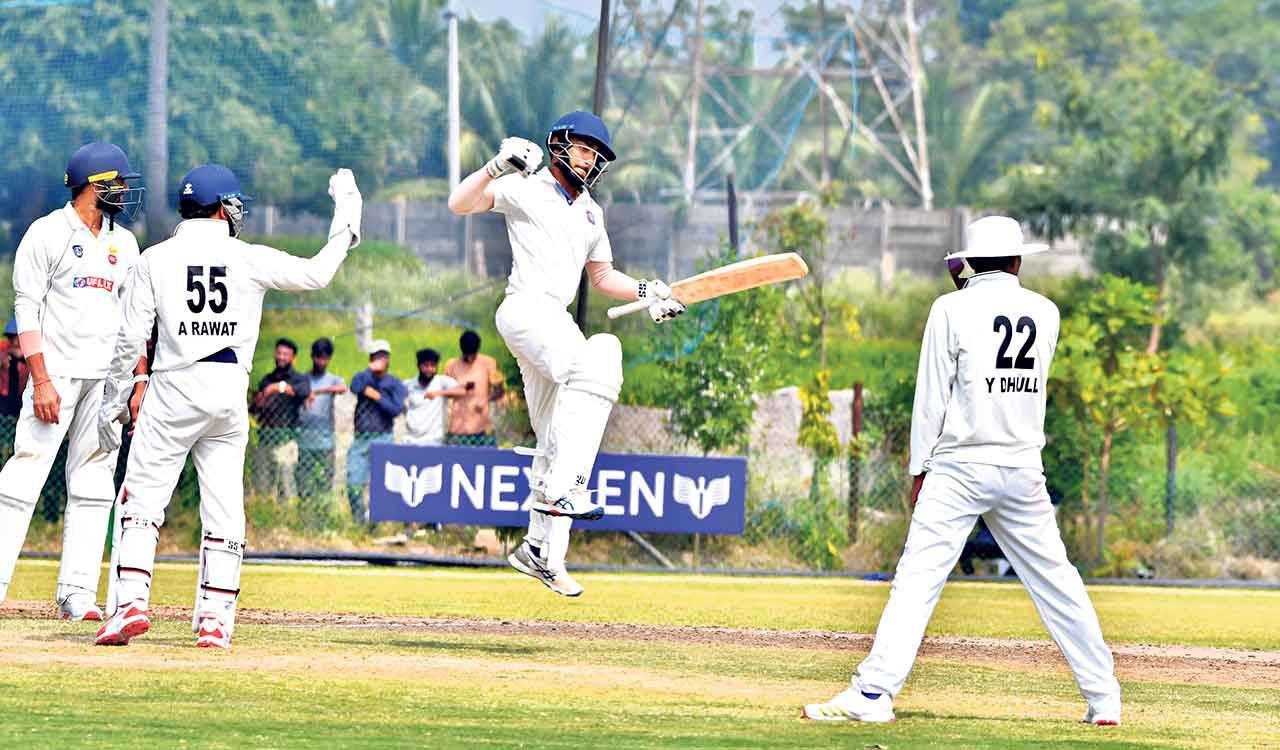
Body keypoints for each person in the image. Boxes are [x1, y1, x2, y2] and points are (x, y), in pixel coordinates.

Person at [802, 216, 1121, 725]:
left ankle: (873, 695)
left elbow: (932, 397)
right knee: (1057, 581)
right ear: (1018, 261)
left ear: (969, 261)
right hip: (1021, 466)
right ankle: (1104, 700)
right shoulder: (1046, 311)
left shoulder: (949, 308)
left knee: (918, 579)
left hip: (959, 465)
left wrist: (917, 468)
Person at [92, 163, 362, 648]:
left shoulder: (155, 259)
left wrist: (114, 404)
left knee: (141, 500)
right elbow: (318, 273)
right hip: (227, 392)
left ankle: (130, 604)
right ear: (221, 207)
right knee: (224, 507)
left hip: (173, 387)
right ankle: (214, 619)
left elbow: (129, 338)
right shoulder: (247, 256)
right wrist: (348, 207)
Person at [447, 111, 685, 597]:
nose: (591, 158)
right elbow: (459, 203)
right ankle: (567, 487)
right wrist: (495, 166)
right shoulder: (527, 185)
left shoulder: (592, 214)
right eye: (583, 148)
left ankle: (541, 551)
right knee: (602, 354)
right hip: (525, 309)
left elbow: (603, 277)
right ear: (559, 144)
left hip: (554, 320)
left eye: (597, 154)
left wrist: (648, 291)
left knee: (557, 435)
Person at [0, 143, 147, 622]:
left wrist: (134, 380)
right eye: (118, 183)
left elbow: (133, 319)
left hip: (105, 383)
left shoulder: (125, 243)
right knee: (24, 477)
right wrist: (40, 380)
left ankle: (77, 594)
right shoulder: (47, 233)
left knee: (94, 486)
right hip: (56, 377)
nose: (124, 191)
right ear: (93, 184)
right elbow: (27, 309)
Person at [345, 340, 406, 523]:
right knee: (353, 481)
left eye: (382, 356)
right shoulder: (364, 378)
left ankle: (377, 522)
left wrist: (376, 396)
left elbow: (396, 409)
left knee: (381, 484)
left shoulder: (395, 383)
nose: (379, 360)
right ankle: (358, 519)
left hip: (384, 438)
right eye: (375, 357)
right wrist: (369, 371)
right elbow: (354, 386)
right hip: (361, 439)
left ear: (388, 359)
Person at [249, 338, 311, 497]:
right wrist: (259, 400)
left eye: (286, 354)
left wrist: (278, 387)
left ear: (293, 358)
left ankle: (286, 519)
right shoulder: (267, 379)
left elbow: (304, 391)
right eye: (279, 353)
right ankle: (264, 512)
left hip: (286, 440)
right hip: (265, 439)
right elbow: (255, 410)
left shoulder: (299, 379)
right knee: (262, 485)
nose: (281, 357)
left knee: (286, 486)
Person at [296, 337, 345, 503]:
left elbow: (342, 388)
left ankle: (324, 512)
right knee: (304, 482)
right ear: (312, 357)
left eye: (325, 358)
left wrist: (317, 392)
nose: (321, 361)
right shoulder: (303, 378)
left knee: (325, 482)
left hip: (326, 442)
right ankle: (305, 512)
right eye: (318, 357)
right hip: (304, 441)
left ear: (329, 359)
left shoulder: (333, 379)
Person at [442, 330, 505, 446]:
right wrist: (460, 389)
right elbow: (443, 392)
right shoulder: (451, 365)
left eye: (473, 355)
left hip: (481, 428)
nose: (470, 359)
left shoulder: (488, 363)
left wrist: (486, 399)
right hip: (457, 429)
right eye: (467, 356)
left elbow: (500, 391)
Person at [403, 348, 466, 446]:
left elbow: (461, 391)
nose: (429, 369)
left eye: (433, 366)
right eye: (426, 365)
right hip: (411, 440)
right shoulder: (409, 384)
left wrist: (439, 393)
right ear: (418, 366)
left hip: (434, 441)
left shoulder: (442, 382)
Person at [0, 319, 30, 460]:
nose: (15, 342)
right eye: (11, 338)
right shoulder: (3, 348)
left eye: (17, 338)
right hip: (3, 399)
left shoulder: (32, 352)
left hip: (22, 398)